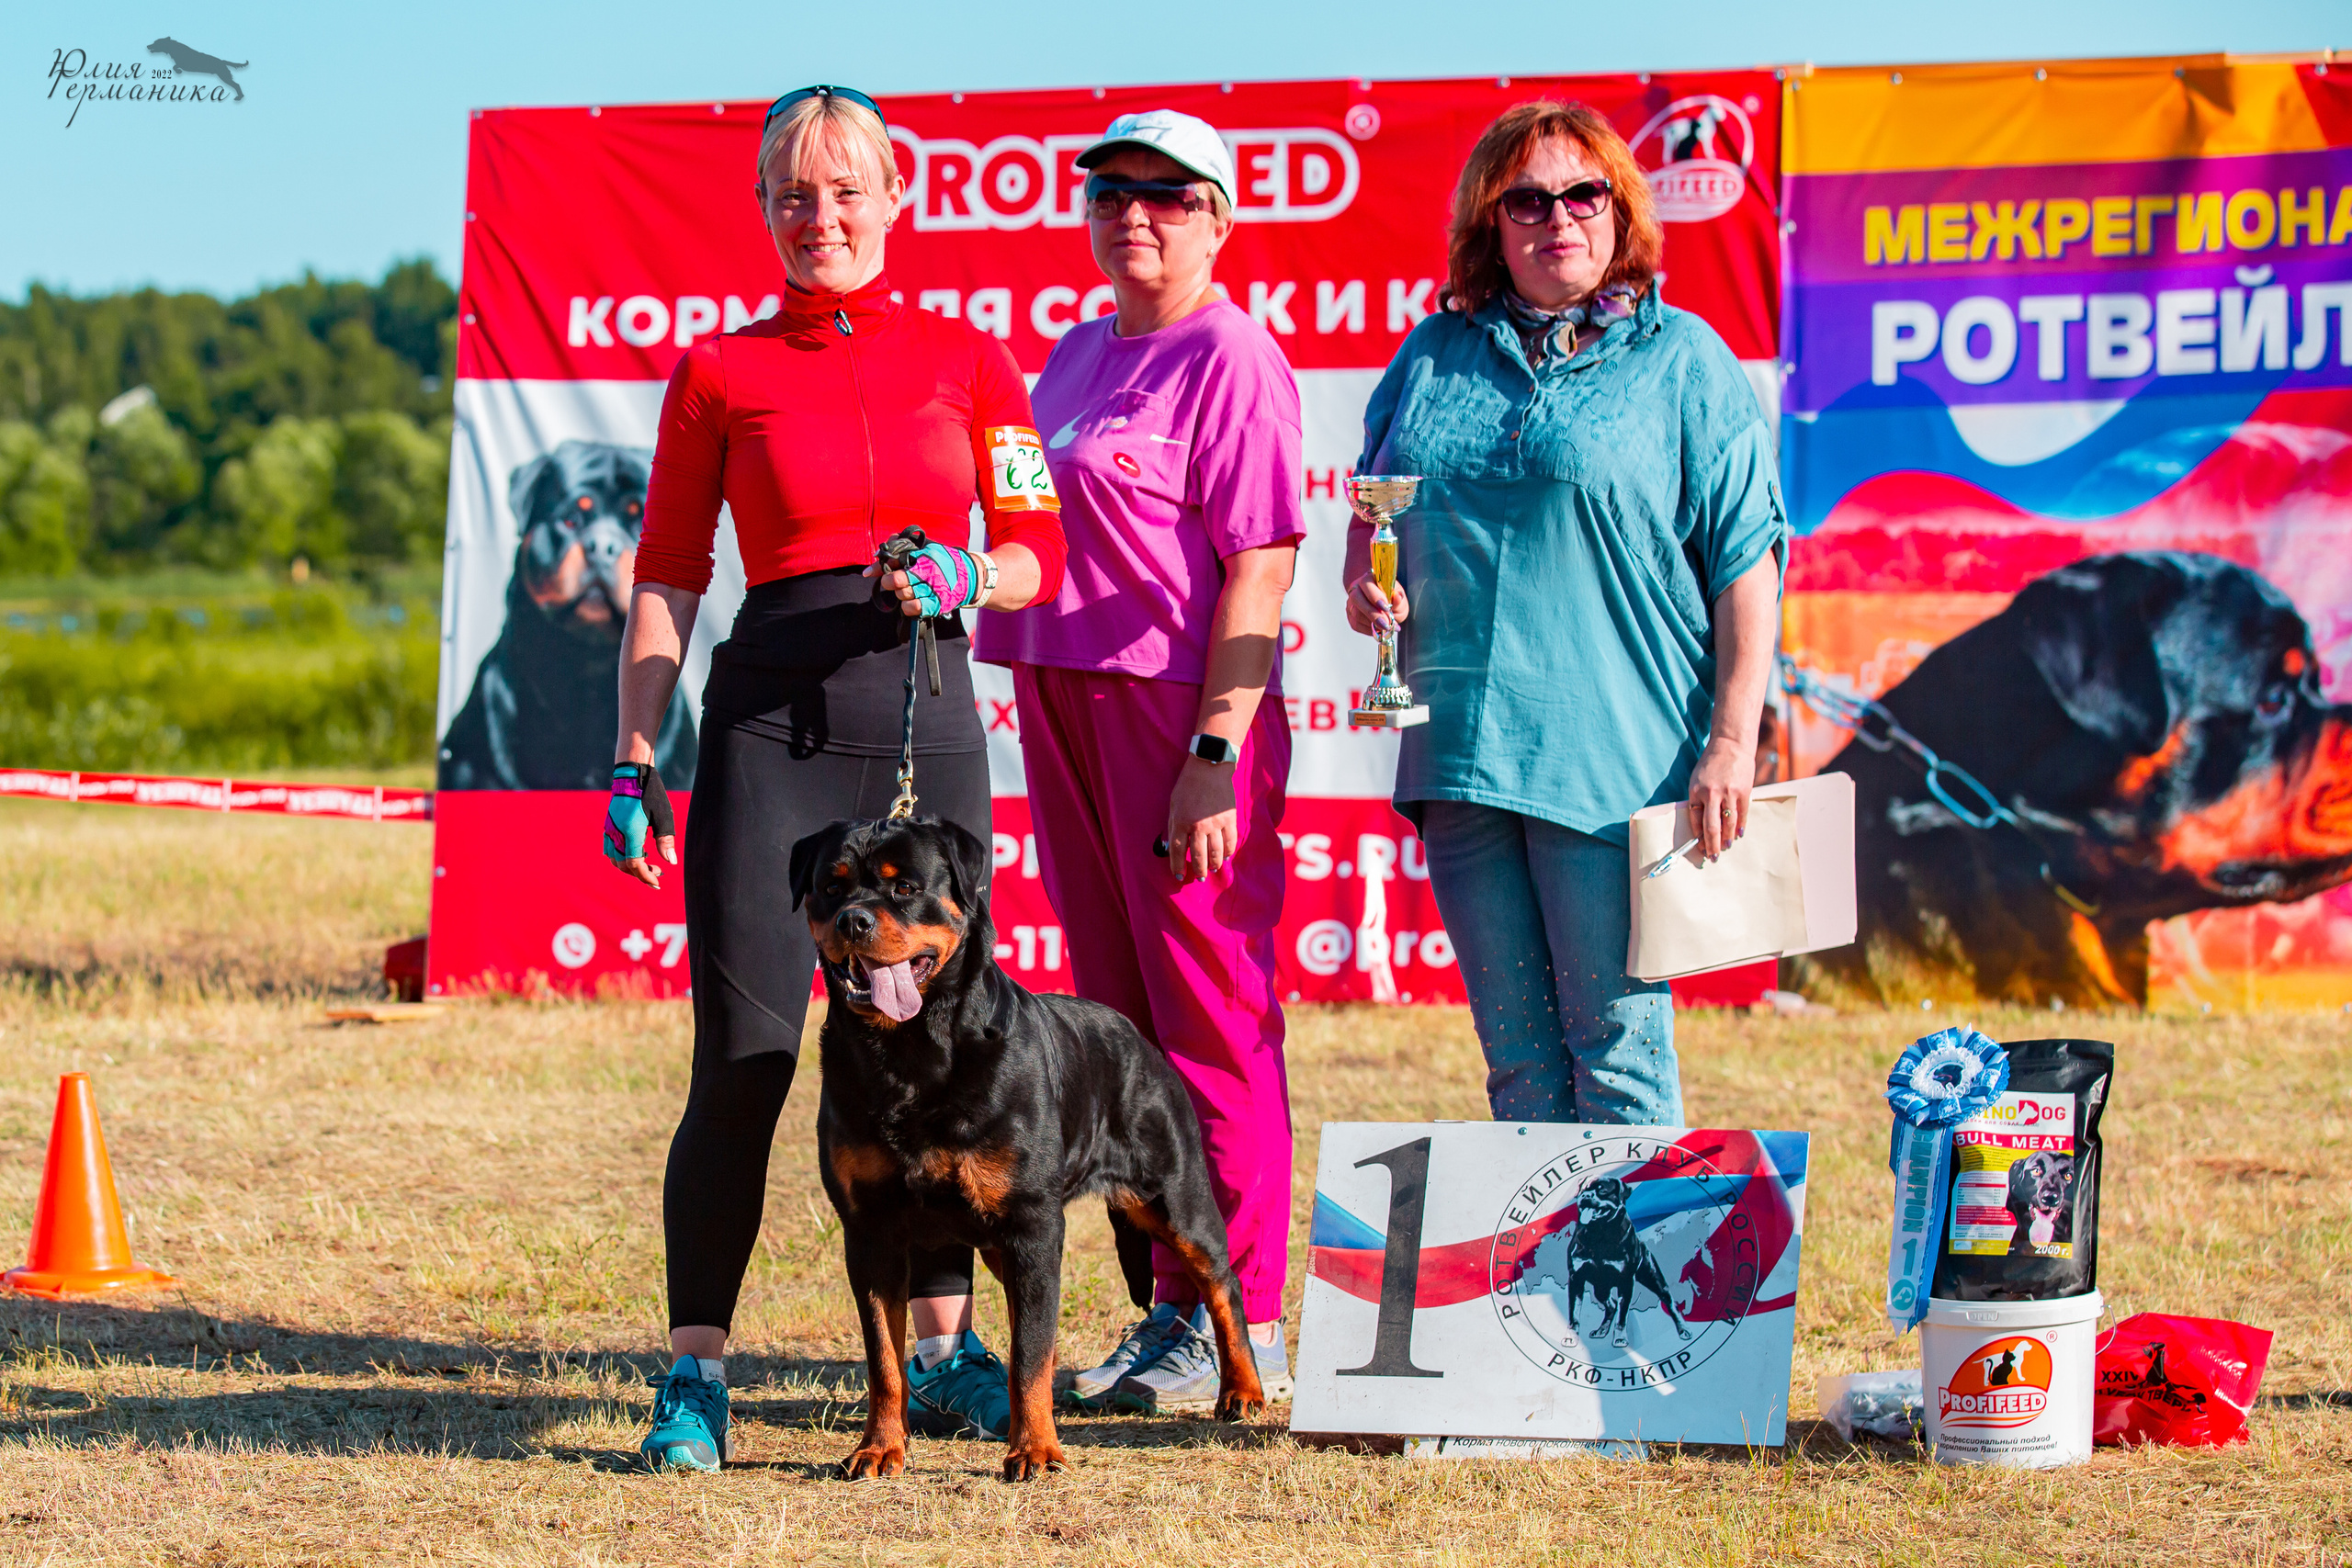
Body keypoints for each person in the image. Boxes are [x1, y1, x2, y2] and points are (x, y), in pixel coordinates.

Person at [603, 85, 1068, 1472]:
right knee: (744, 1063)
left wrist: (972, 569)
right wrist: (635, 758)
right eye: (794, 196)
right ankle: (696, 1378)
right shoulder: (716, 372)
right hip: (766, 743)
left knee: (941, 1060)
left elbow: (1040, 544)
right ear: (764, 213)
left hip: (928, 728)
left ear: (895, 199)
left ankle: (942, 1355)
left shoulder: (976, 361)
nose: (823, 218)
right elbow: (669, 579)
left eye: (848, 189)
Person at [1346, 100, 1784, 1127]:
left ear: (1619, 210)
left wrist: (1732, 740)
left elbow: (1746, 563)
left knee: (1617, 1054)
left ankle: (1639, 1292)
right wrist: (1365, 587)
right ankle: (1543, 1292)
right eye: (1528, 199)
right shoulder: (1430, 356)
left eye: (1583, 194)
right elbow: (1375, 520)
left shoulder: (1681, 361)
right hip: (1456, 757)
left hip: (1610, 765)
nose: (1559, 218)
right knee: (1518, 1067)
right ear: (1490, 224)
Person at [974, 110, 1303, 1413]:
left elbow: (1261, 567)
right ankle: (1172, 1313)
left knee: (1210, 1017)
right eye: (1111, 191)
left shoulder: (1234, 355)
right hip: (1059, 694)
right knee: (1119, 1026)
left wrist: (1215, 750)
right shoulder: (1071, 352)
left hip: (1176, 713)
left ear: (1220, 217)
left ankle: (1247, 1313)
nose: (1136, 214)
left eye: (1170, 196)